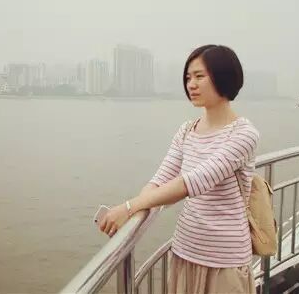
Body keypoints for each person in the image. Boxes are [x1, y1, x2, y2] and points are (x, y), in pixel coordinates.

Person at [98, 44, 260, 294]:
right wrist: (137, 211)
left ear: (224, 76)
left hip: (225, 261)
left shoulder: (244, 134)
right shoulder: (186, 131)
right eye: (188, 78)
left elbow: (193, 182)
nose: (191, 85)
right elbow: (160, 179)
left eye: (199, 76)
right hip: (185, 252)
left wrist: (129, 207)